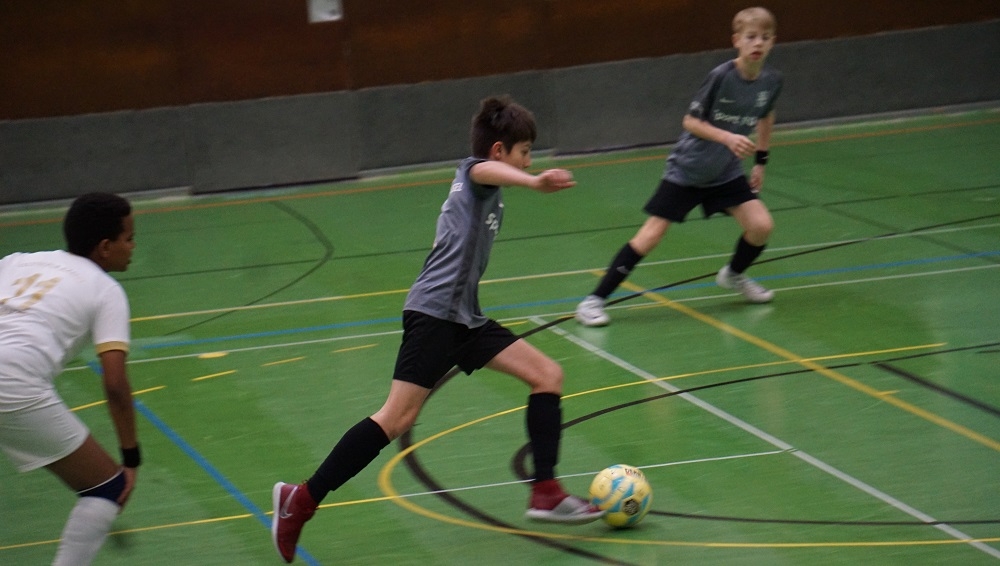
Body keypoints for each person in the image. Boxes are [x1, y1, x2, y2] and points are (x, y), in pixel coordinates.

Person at [271, 95, 602, 563]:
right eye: (525, 152)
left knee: (547, 375)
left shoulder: (483, 194)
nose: (530, 161)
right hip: (435, 316)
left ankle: (545, 492)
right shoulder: (476, 173)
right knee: (395, 419)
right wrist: (533, 182)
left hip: (464, 317)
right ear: (499, 151)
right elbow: (485, 170)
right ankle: (300, 500)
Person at [576, 6, 783, 327]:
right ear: (737, 41)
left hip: (725, 172)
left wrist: (761, 162)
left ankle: (734, 274)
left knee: (761, 226)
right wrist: (728, 138)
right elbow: (690, 121)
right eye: (751, 37)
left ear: (772, 43)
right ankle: (594, 301)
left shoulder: (771, 81)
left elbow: (766, 116)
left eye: (765, 38)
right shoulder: (721, 77)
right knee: (650, 236)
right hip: (688, 170)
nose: (758, 43)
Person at [0, 192, 140, 565]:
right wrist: (131, 458)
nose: (133, 246)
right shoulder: (106, 290)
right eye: (128, 238)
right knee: (107, 488)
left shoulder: (16, 262)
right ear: (105, 247)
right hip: (13, 380)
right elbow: (115, 384)